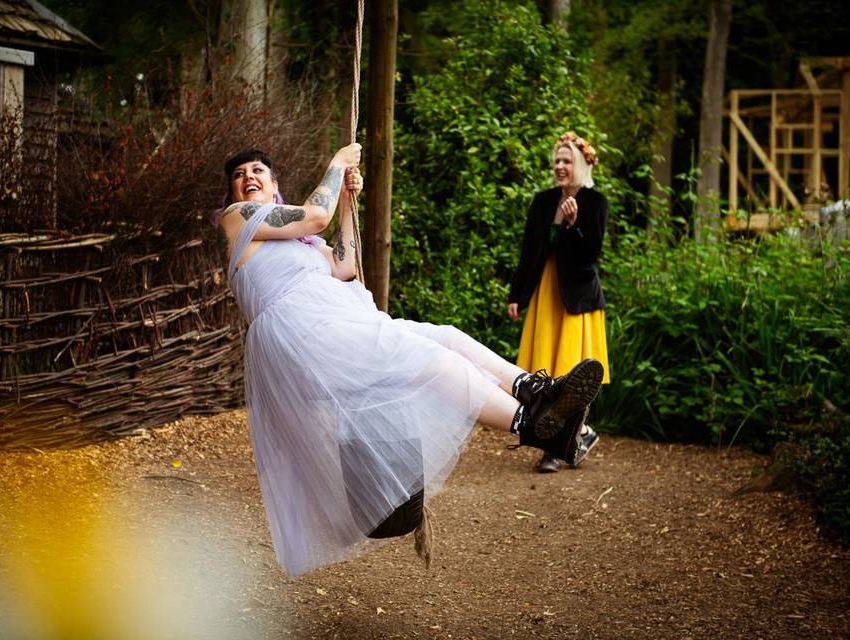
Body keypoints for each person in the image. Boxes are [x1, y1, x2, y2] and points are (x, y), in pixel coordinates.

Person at [215, 143, 604, 577]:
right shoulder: (239, 219)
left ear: (274, 185)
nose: (249, 177)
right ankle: (533, 426)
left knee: (447, 338)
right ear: (233, 191)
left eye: (258, 171)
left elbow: (343, 266)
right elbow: (315, 215)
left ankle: (537, 393)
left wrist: (346, 200)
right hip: (304, 332)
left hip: (335, 321)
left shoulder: (299, 242)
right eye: (240, 174)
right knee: (433, 363)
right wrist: (336, 165)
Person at [507, 131, 610, 473]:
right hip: (545, 292)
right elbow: (531, 252)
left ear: (579, 164)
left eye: (567, 161)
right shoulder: (542, 201)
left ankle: (559, 444)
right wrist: (516, 295)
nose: (560, 167)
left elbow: (591, 254)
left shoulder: (596, 202)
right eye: (557, 162)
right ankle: (579, 434)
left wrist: (575, 224)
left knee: (572, 370)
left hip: (578, 298)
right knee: (546, 370)